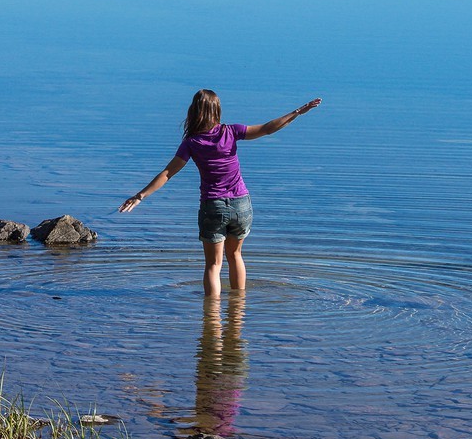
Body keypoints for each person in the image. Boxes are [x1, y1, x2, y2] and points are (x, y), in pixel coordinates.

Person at [119, 87, 321, 298]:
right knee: (235, 255)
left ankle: (211, 320)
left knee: (213, 265)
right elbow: (267, 129)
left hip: (213, 206)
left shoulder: (191, 143)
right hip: (241, 204)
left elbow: (168, 173)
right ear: (217, 111)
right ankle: (237, 312)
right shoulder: (231, 132)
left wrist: (140, 195)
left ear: (194, 111)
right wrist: (297, 112)